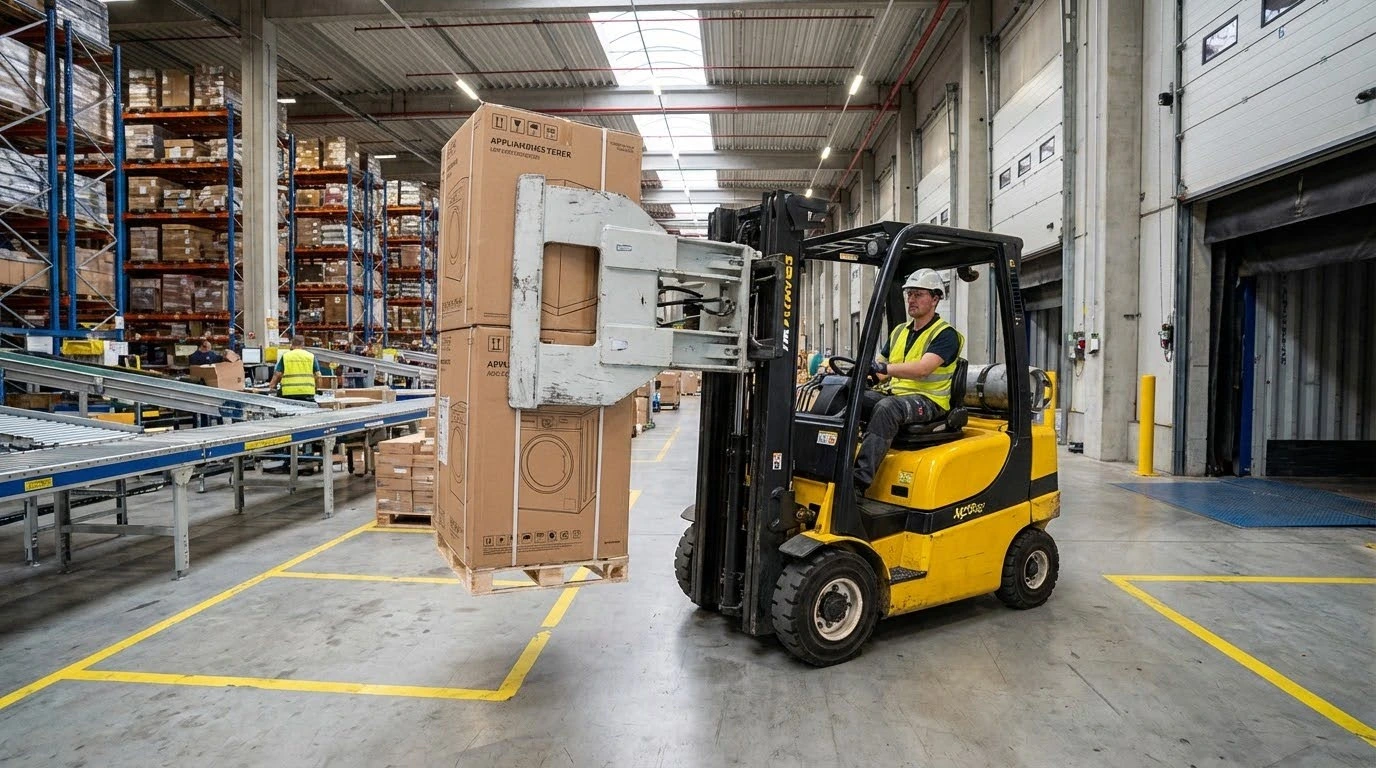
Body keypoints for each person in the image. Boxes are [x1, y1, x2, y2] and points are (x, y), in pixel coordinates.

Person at [854, 268, 965, 494]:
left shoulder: (945, 334)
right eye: (909, 294)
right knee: (848, 394)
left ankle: (857, 483)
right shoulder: (898, 332)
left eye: (918, 294)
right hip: (898, 396)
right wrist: (857, 378)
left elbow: (923, 369)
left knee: (886, 408)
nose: (911, 300)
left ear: (935, 299)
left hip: (931, 402)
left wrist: (884, 368)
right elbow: (880, 371)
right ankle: (831, 467)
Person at [268, 336, 326, 401]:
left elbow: (277, 374)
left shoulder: (286, 356)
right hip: (307, 392)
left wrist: (272, 386)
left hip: (288, 392)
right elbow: (318, 375)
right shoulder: (310, 356)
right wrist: (319, 390)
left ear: (291, 344)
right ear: (303, 345)